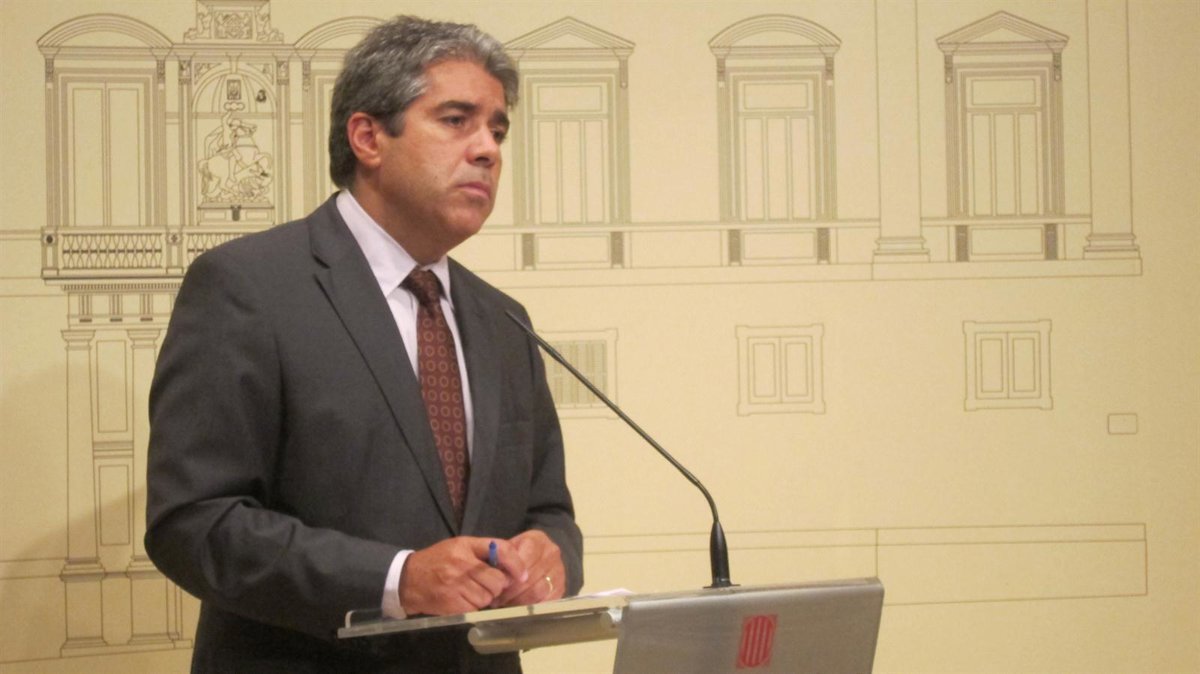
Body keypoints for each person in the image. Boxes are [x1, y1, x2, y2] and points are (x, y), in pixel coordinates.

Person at [145, 16, 583, 673]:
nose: (488, 150)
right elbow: (194, 522)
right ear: (368, 137)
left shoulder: (503, 321)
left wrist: (551, 556)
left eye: (497, 130)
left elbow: (549, 512)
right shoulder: (249, 287)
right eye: (456, 120)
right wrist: (396, 580)